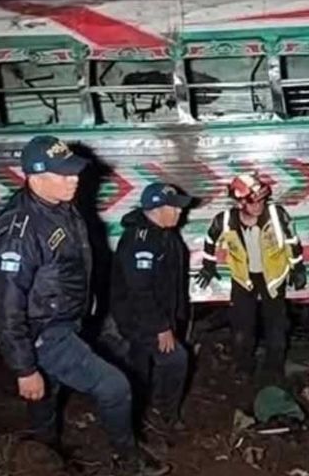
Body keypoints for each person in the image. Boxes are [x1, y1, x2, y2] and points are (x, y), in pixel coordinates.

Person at [0, 135, 169, 475]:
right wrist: (24, 368)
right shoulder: (20, 232)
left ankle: (44, 452)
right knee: (114, 386)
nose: (74, 180)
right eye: (64, 174)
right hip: (45, 331)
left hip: (66, 319)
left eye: (74, 172)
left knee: (47, 392)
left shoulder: (57, 204)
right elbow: (7, 305)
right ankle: (128, 459)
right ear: (34, 177)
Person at [195, 172, 307, 384]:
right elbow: (210, 239)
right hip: (243, 278)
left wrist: (298, 267)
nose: (259, 206)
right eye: (253, 202)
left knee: (276, 327)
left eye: (262, 200)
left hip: (272, 277)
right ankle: (243, 367)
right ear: (240, 203)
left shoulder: (276, 215)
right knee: (242, 327)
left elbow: (292, 241)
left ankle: (274, 369)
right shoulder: (225, 220)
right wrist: (208, 265)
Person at [111, 183, 192, 433]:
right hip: (140, 319)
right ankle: (163, 414)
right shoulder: (141, 240)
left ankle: (141, 412)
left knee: (140, 363)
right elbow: (140, 290)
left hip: (154, 316)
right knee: (176, 360)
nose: (180, 212)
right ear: (156, 209)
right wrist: (161, 327)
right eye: (174, 207)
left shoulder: (165, 233)